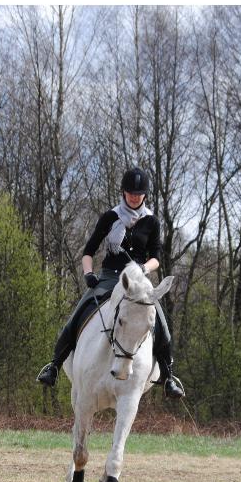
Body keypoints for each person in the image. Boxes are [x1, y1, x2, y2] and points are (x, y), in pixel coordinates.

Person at [36, 167, 185, 399]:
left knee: (161, 323)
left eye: (139, 193)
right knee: (77, 315)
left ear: (145, 195)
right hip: (109, 277)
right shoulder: (111, 217)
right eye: (130, 192)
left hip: (137, 281)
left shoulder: (152, 221)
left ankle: (169, 377)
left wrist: (143, 269)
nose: (135, 197)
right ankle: (54, 366)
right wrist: (88, 273)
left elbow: (156, 257)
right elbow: (88, 251)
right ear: (123, 192)